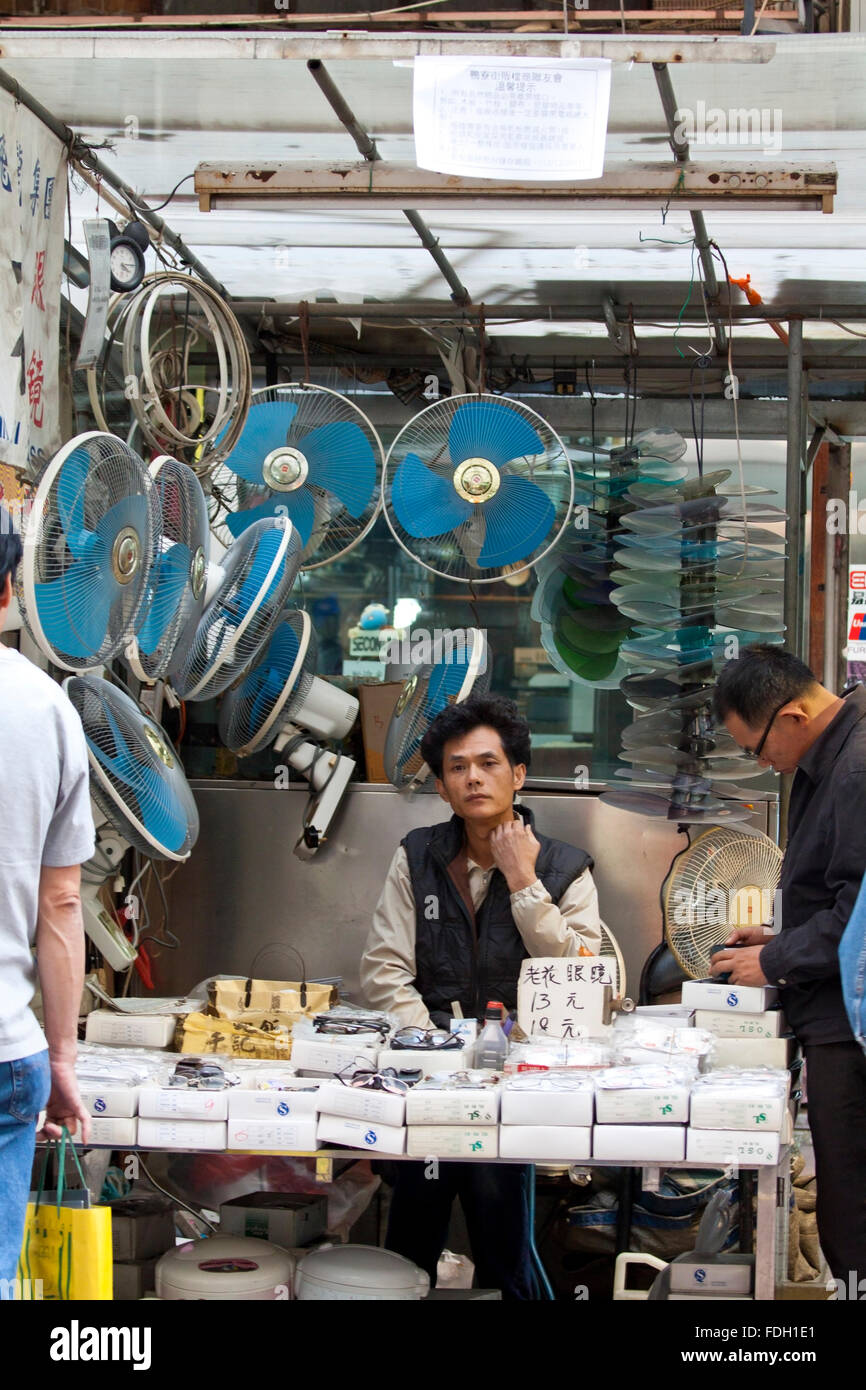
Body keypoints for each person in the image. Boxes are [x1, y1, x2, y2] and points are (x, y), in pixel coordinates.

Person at [361, 693, 604, 1298]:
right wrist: (441, 1054)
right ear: (442, 786)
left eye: (489, 763)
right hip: (428, 1081)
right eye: (457, 766)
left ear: (518, 775)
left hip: (519, 1084)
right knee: (411, 1237)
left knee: (505, 1244)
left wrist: (524, 883)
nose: (473, 777)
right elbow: (385, 969)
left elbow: (582, 981)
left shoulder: (565, 868)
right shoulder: (417, 857)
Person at [710, 644, 866, 1287]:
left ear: (795, 715)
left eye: (757, 748)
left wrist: (775, 959)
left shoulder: (856, 766)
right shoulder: (829, 756)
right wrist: (780, 937)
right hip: (831, 1013)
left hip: (849, 1029)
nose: (762, 763)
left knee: (853, 1204)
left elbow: (859, 915)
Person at [0, 510, 96, 1295]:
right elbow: (60, 906)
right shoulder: (46, 709)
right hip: (5, 1047)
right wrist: (63, 1060)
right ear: (9, 589)